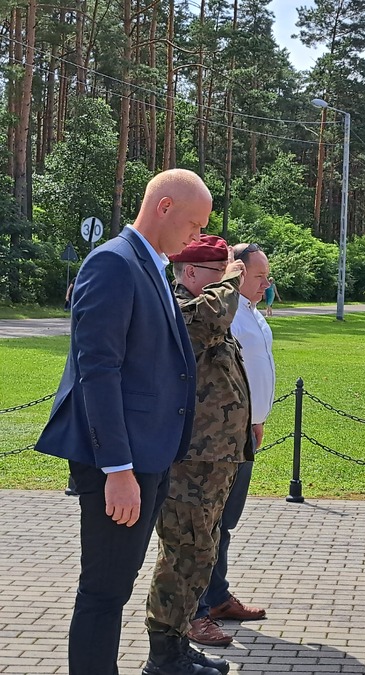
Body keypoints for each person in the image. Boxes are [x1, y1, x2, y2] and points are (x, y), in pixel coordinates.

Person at [34, 169, 211, 675]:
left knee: (115, 587)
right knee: (104, 592)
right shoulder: (113, 263)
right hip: (121, 462)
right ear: (164, 207)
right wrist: (118, 469)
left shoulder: (150, 263)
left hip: (147, 456)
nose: (196, 237)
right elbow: (98, 372)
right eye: (194, 224)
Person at [144, 235, 253, 675]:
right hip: (188, 462)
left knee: (201, 555)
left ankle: (178, 640)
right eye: (218, 274)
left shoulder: (204, 305)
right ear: (190, 273)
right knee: (182, 555)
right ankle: (163, 657)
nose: (230, 286)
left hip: (215, 461)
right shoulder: (178, 309)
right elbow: (206, 321)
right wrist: (229, 282)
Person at [189, 242, 273, 647]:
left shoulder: (252, 313)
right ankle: (198, 610)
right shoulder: (226, 312)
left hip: (243, 432)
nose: (264, 283)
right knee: (207, 526)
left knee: (225, 524)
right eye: (257, 276)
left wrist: (256, 420)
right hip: (216, 438)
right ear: (235, 271)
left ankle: (218, 597)